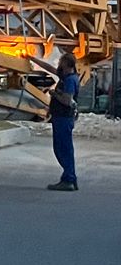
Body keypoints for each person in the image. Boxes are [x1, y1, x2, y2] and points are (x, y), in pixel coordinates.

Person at [48, 50, 80, 192]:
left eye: (62, 63)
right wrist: (31, 58)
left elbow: (67, 100)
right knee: (62, 148)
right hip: (61, 117)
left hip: (63, 117)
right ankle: (70, 178)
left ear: (68, 64)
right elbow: (50, 69)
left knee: (63, 149)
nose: (60, 66)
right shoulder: (65, 76)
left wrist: (54, 94)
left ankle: (69, 179)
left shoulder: (70, 80)